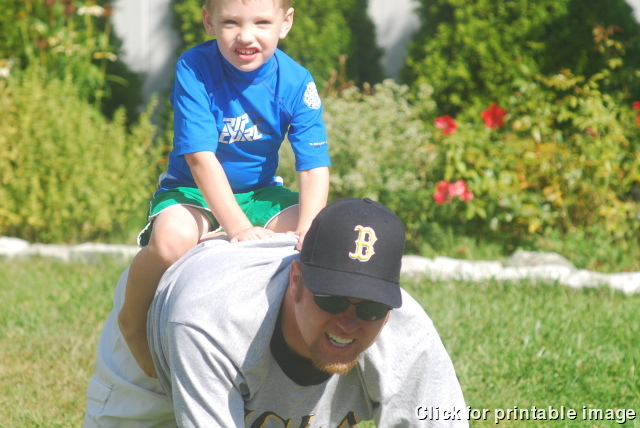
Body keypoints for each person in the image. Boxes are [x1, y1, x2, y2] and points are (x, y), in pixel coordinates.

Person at [84, 198, 468, 427]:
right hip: (156, 355)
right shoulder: (209, 324)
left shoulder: (408, 336)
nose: (348, 323)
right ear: (296, 280)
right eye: (332, 300)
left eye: (371, 306)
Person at [118, 0, 331, 378]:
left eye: (262, 22)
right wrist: (237, 228)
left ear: (285, 23)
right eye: (231, 22)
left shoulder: (297, 82)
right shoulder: (195, 69)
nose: (246, 36)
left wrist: (307, 230)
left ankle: (294, 338)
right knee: (171, 242)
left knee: (325, 232)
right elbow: (200, 159)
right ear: (209, 20)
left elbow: (313, 166)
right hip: (192, 190)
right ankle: (132, 318)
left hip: (260, 193)